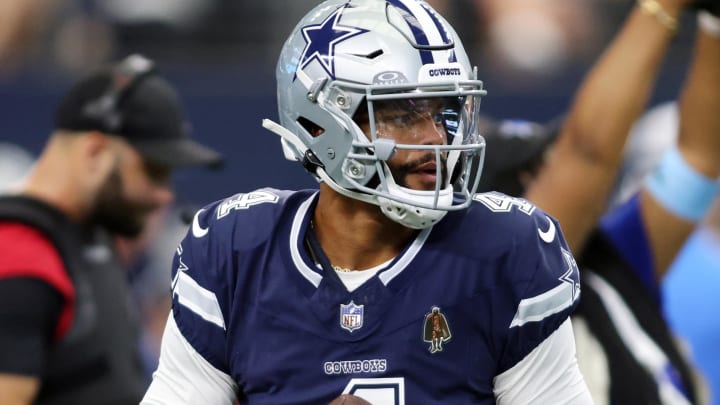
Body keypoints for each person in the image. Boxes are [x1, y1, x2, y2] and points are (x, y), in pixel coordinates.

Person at [142, 0, 593, 404]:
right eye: (402, 114)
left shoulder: (506, 250)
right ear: (319, 125)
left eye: (446, 113)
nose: (436, 139)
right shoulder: (236, 252)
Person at [477, 0, 720, 402]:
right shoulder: (500, 291)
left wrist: (713, 23)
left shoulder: (610, 262)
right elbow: (588, 153)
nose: (578, 185)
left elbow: (698, 159)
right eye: (542, 171)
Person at [0, 53, 223, 404]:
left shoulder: (86, 239)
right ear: (94, 152)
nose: (163, 195)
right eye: (153, 170)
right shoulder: (21, 259)